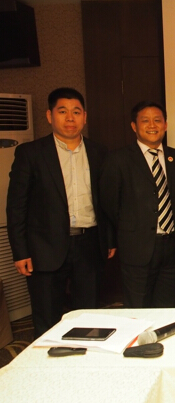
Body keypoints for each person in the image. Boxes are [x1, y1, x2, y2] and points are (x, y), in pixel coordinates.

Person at [7, 87, 109, 338]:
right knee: (47, 317)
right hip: (44, 247)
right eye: (62, 111)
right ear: (49, 115)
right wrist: (20, 251)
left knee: (89, 316)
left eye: (76, 112)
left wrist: (109, 239)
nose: (70, 118)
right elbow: (16, 206)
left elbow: (106, 201)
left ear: (85, 117)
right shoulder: (31, 153)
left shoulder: (99, 152)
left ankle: (86, 356)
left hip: (89, 244)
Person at [99, 101, 175, 308]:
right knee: (138, 309)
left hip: (172, 246)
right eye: (145, 121)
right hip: (137, 248)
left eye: (157, 120)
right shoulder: (118, 159)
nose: (152, 125)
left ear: (165, 125)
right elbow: (109, 204)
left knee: (168, 309)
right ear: (134, 126)